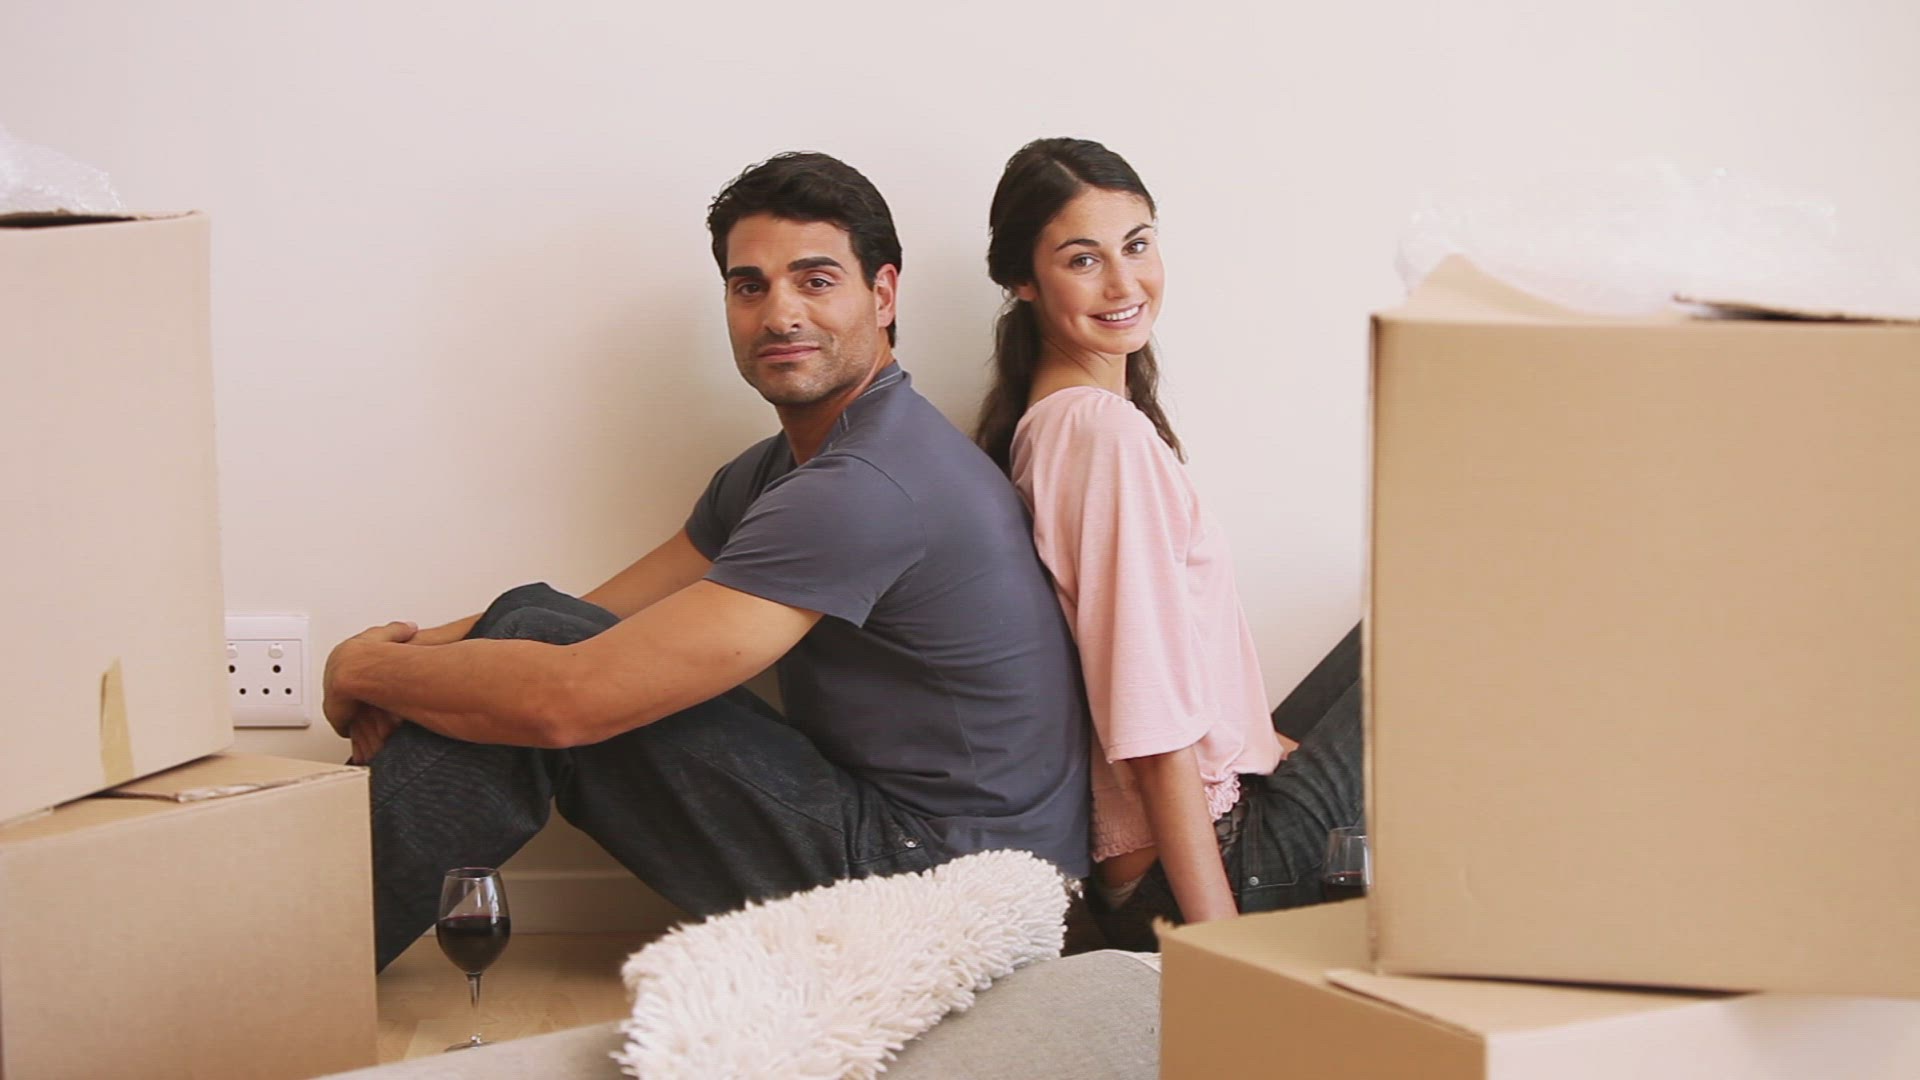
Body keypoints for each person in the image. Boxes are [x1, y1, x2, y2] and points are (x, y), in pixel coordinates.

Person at [324, 151, 1092, 971]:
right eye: (750, 286)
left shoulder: (868, 485)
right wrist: (400, 655)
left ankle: (296, 954)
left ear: (883, 294)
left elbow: (567, 702)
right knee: (533, 621)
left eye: (816, 281)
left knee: (543, 665)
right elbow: (594, 618)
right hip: (908, 841)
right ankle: (299, 938)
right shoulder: (782, 469)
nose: (780, 314)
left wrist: (368, 672)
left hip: (950, 886)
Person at [972, 137, 1363, 949]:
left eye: (1138, 245)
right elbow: (1148, 719)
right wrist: (1219, 948)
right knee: (1462, 628)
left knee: (1406, 627)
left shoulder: (1051, 424)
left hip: (1196, 834)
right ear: (1022, 280)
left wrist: (1283, 747)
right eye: (1084, 260)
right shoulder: (1101, 436)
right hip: (1215, 867)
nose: (1125, 284)